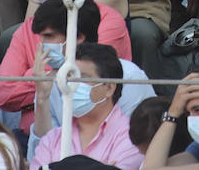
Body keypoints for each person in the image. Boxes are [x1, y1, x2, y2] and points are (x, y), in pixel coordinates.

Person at [0, 0, 135, 136]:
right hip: (35, 137)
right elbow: (3, 94)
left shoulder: (107, 20)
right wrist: (48, 77)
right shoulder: (29, 27)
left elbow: (87, 81)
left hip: (97, 137)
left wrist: (41, 76)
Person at [27, 42, 139, 170]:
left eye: (82, 78)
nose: (72, 85)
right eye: (69, 77)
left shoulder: (132, 136)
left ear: (109, 88)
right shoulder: (53, 138)